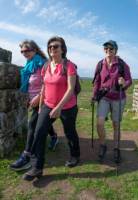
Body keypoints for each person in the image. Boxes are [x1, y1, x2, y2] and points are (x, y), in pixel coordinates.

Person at [22, 36, 80, 181]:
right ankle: (37, 167)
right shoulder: (46, 66)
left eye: (55, 46)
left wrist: (59, 107)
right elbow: (44, 87)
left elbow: (71, 89)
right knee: (39, 133)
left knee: (70, 132)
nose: (52, 49)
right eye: (50, 47)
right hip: (48, 104)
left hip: (67, 106)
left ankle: (75, 155)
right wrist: (41, 106)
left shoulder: (69, 66)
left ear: (62, 49)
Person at [10, 40, 58, 171]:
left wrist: (38, 97)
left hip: (44, 100)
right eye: (22, 51)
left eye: (27, 50)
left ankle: (27, 155)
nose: (24, 53)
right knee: (41, 124)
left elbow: (48, 83)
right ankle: (54, 136)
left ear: (35, 49)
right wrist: (28, 98)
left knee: (32, 125)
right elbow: (29, 85)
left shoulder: (43, 63)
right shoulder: (29, 64)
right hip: (34, 100)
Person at [92, 40, 132, 163]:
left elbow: (129, 80)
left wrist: (124, 83)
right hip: (104, 97)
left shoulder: (122, 64)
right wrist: (94, 96)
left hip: (118, 98)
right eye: (106, 49)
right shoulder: (100, 64)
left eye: (111, 49)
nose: (108, 51)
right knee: (99, 123)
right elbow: (97, 81)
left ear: (115, 50)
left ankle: (116, 148)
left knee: (116, 125)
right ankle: (103, 145)